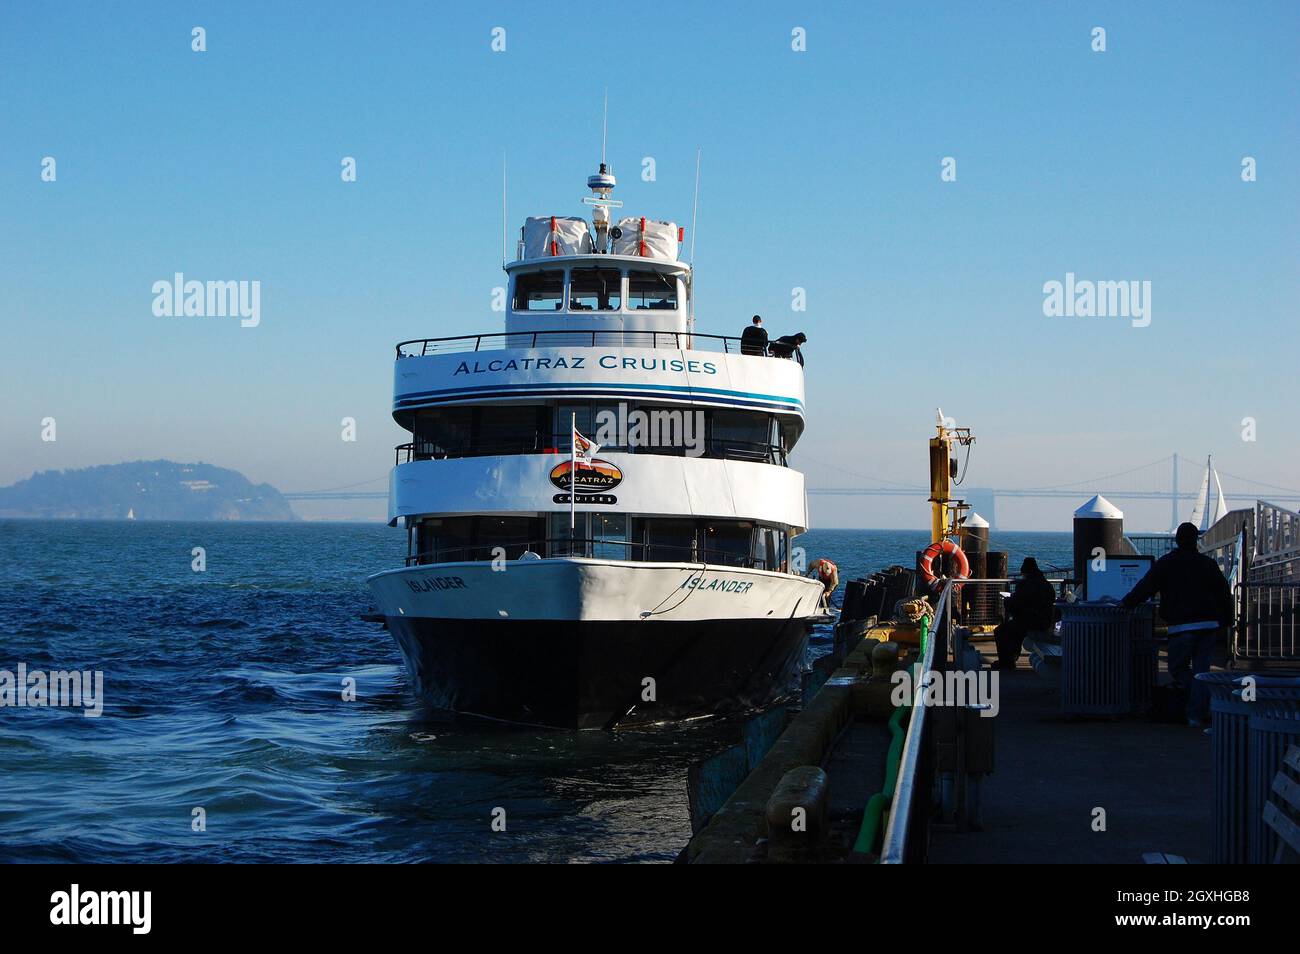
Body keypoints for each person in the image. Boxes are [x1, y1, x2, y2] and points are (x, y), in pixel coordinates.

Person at [1120, 522, 1232, 727]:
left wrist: (1126, 603)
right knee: (1202, 669)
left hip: (1181, 625)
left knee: (1178, 668)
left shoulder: (1167, 563)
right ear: (1195, 540)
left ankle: (1195, 706)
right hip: (1208, 624)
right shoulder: (1208, 564)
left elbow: (1146, 586)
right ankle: (1198, 711)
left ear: (1177, 540)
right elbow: (1224, 593)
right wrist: (1228, 621)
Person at [993, 557, 1056, 670]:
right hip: (1044, 622)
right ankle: (1011, 658)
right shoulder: (1047, 585)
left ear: (1025, 572)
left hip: (1029, 622)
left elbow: (1015, 604)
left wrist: (1007, 601)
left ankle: (1007, 661)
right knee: (1015, 630)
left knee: (1001, 631)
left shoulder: (1025, 585)